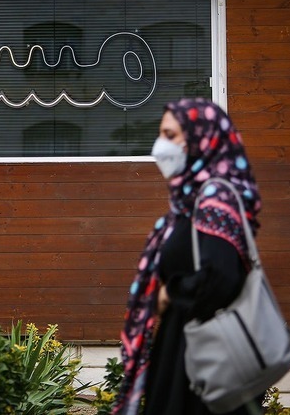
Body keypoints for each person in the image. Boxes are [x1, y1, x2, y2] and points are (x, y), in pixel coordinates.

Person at [112, 98, 264, 415]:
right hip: (186, 352)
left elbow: (221, 279)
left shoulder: (215, 201)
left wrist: (169, 293)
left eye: (170, 135)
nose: (160, 146)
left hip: (206, 365)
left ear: (201, 139)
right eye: (160, 135)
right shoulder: (189, 204)